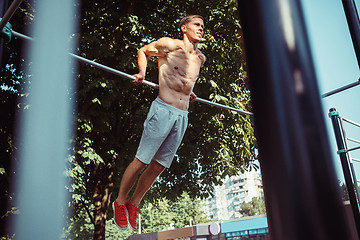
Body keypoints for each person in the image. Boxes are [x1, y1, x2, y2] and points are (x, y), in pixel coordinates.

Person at [112, 15, 206, 231]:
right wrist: (142, 73)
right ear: (184, 28)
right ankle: (119, 202)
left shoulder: (200, 58)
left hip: (182, 116)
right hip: (163, 110)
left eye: (203, 26)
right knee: (142, 161)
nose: (201, 29)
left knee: (159, 166)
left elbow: (185, 82)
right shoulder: (170, 45)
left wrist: (190, 93)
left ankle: (133, 204)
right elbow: (143, 50)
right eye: (197, 25)